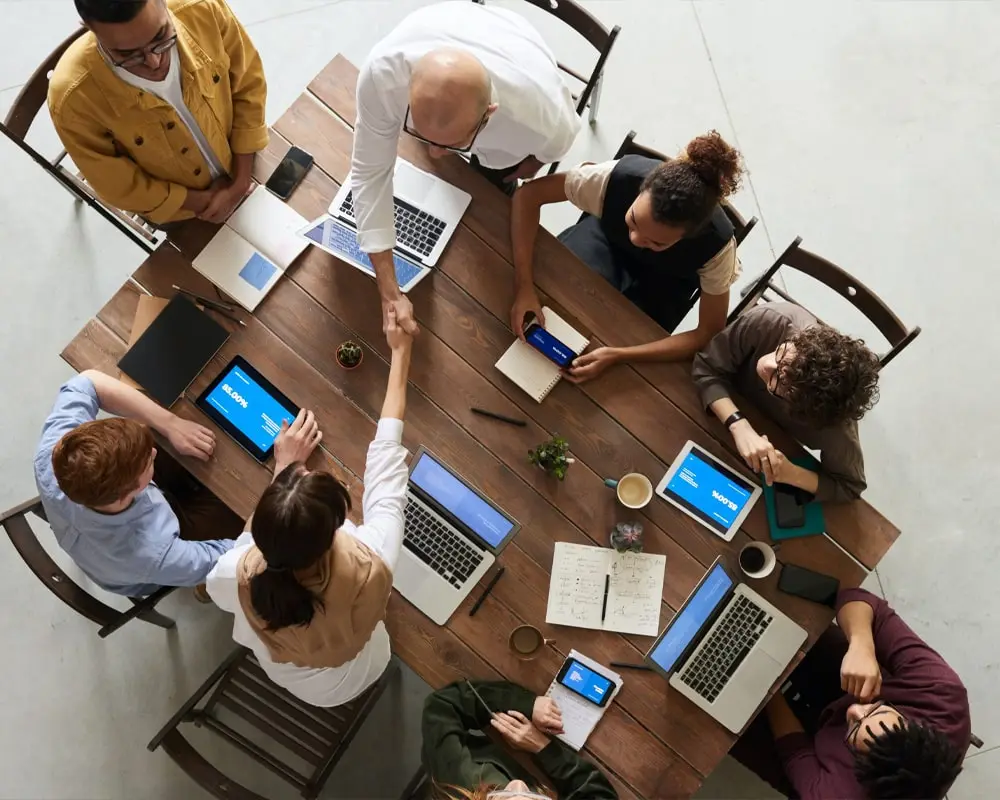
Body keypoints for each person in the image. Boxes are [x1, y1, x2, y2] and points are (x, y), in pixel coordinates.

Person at [206, 309, 413, 706]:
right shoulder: (372, 559)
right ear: (336, 530)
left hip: (303, 684)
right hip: (360, 667)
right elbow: (387, 466)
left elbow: (235, 563)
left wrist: (282, 468)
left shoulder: (235, 572)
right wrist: (401, 353)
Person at [352, 1, 581, 336]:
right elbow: (369, 174)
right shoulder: (381, 75)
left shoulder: (541, 119)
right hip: (453, 29)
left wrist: (525, 167)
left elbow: (548, 153)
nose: (434, 154)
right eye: (420, 133)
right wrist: (389, 289)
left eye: (450, 144)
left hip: (515, 58)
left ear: (489, 113)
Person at [510, 131, 745, 383]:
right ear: (641, 189)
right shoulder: (613, 179)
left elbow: (708, 331)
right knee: (557, 295)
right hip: (605, 241)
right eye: (633, 220)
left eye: (656, 241)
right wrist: (524, 286)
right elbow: (528, 196)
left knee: (624, 342)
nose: (636, 239)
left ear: (689, 236)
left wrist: (618, 355)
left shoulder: (717, 249)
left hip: (667, 282)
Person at [731, 588, 969, 799]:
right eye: (876, 708)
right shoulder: (941, 694)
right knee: (795, 617)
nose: (855, 709)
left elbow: (794, 749)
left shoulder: (838, 794)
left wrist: (766, 683)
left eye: (855, 727)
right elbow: (857, 598)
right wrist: (861, 644)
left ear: (858, 767)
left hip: (815, 758)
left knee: (732, 722)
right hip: (850, 681)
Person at [49, 0, 268, 226]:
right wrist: (203, 202)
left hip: (246, 161)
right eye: (128, 54)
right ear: (88, 27)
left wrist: (240, 182)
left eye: (161, 36)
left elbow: (248, 83)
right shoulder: (72, 100)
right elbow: (116, 184)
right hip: (184, 214)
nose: (154, 61)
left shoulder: (202, 8)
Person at [34, 370, 241, 597]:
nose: (153, 452)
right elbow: (236, 560)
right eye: (148, 461)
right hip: (148, 566)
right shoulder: (153, 555)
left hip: (100, 537)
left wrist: (170, 424)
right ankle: (204, 589)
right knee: (246, 512)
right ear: (127, 493)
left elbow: (88, 380)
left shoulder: (57, 453)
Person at [691, 302, 881, 502]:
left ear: (804, 408)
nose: (767, 364)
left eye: (780, 381)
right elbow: (706, 367)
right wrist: (739, 426)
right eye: (782, 355)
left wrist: (790, 473)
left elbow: (850, 486)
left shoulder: (834, 425)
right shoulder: (771, 320)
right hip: (712, 409)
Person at [422, 679, 618, 799]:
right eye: (535, 799)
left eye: (501, 798)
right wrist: (543, 747)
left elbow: (442, 707)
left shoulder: (457, 781)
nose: (518, 784)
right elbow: (597, 794)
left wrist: (525, 704)